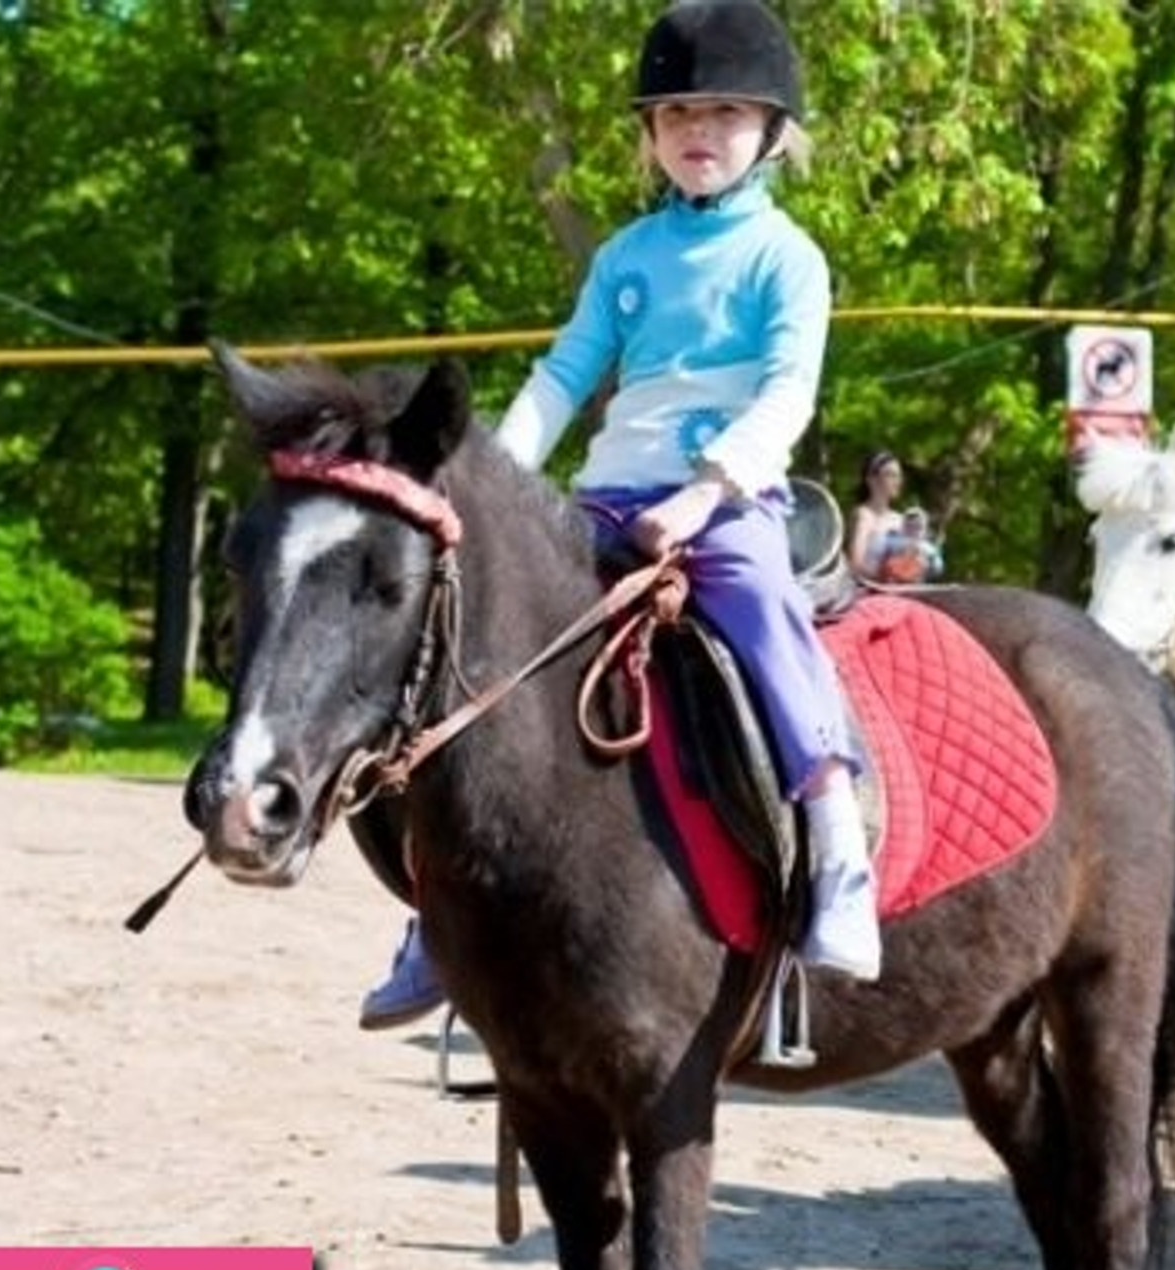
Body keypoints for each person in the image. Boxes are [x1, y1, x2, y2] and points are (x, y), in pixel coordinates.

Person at [359, 0, 878, 1032]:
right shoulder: (627, 258)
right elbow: (563, 374)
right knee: (479, 663)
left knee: (768, 622)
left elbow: (787, 395)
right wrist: (482, 479)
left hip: (727, 504)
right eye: (677, 111)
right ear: (647, 132)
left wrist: (704, 492)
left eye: (726, 111)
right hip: (603, 497)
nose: (698, 130)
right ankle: (436, 909)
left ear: (773, 132)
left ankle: (831, 846)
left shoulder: (788, 258)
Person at [847, 450, 905, 579]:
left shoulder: (900, 519)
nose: (898, 481)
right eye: (891, 475)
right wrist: (883, 575)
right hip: (869, 589)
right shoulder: (863, 515)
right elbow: (856, 564)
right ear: (871, 479)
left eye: (899, 476)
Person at [875, 505, 943, 583]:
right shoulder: (895, 542)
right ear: (903, 527)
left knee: (922, 561)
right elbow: (882, 553)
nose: (913, 530)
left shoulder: (926, 547)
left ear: (924, 531)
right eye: (909, 526)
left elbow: (938, 567)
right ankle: (894, 580)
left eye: (917, 527)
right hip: (895, 574)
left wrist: (931, 562)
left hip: (916, 575)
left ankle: (914, 582)